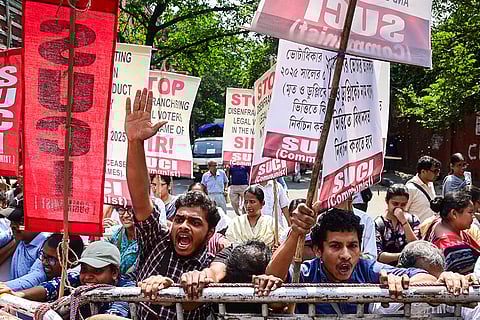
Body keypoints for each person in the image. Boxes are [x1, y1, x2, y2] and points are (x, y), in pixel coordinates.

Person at [263, 205, 472, 315]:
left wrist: (405, 283)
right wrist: (296, 233)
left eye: (353, 246)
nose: (346, 254)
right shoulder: (306, 273)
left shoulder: (368, 269)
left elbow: (423, 277)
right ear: (318, 250)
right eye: (336, 246)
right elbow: (272, 287)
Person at [125, 88, 220, 319]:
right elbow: (140, 198)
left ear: (210, 234)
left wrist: (169, 286)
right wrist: (135, 142)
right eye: (179, 219)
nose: (184, 226)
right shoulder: (156, 240)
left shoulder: (211, 266)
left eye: (195, 223)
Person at [2, 241, 133, 318]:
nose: (88, 276)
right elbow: (52, 286)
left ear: (114, 272)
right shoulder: (77, 281)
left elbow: (114, 315)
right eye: (84, 269)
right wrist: (18, 294)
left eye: (97, 271)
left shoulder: (126, 289)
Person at [373, 240, 479, 318]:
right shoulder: (387, 294)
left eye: (437, 279)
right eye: (424, 276)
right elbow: (380, 311)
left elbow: (474, 312)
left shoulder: (448, 291)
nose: (434, 285)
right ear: (402, 271)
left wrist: (465, 288)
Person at [424, 191, 480, 274]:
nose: (473, 217)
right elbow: (471, 277)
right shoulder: (453, 248)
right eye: (470, 212)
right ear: (454, 213)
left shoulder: (437, 223)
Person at [4, 233, 83, 291]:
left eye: (52, 259)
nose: (44, 262)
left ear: (72, 261)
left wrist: (20, 294)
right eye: (43, 256)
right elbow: (32, 279)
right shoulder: (42, 262)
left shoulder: (77, 275)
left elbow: (51, 288)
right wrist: (5, 287)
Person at [0, 193, 50, 282]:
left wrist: (6, 287)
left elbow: (35, 277)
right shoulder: (18, 235)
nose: (13, 225)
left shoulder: (46, 246)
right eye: (11, 221)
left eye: (20, 221)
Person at [375, 184, 420, 265]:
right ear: (387, 201)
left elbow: (417, 247)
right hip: (386, 270)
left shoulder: (412, 220)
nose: (399, 207)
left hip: (409, 269)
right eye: (395, 204)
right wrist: (403, 256)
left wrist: (404, 222)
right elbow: (378, 255)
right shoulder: (378, 224)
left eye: (403, 205)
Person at [405, 156, 441, 222]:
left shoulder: (430, 184)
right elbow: (403, 213)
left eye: (438, 171)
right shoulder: (410, 189)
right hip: (416, 230)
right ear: (423, 171)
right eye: (435, 171)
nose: (438, 174)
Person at [105, 205, 138, 275]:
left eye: (130, 211)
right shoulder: (115, 234)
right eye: (121, 210)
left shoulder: (147, 238)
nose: (125, 215)